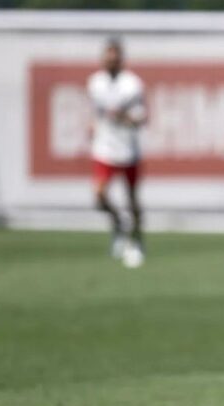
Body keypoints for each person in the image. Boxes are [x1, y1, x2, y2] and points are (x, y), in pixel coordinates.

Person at [87, 37, 148, 268]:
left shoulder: (132, 85)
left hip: (128, 148)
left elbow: (142, 118)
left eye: (115, 58)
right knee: (100, 197)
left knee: (133, 200)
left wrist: (123, 117)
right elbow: (97, 112)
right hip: (104, 148)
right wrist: (93, 125)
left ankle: (138, 240)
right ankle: (119, 223)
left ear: (121, 60)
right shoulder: (95, 83)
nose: (110, 61)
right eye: (107, 57)